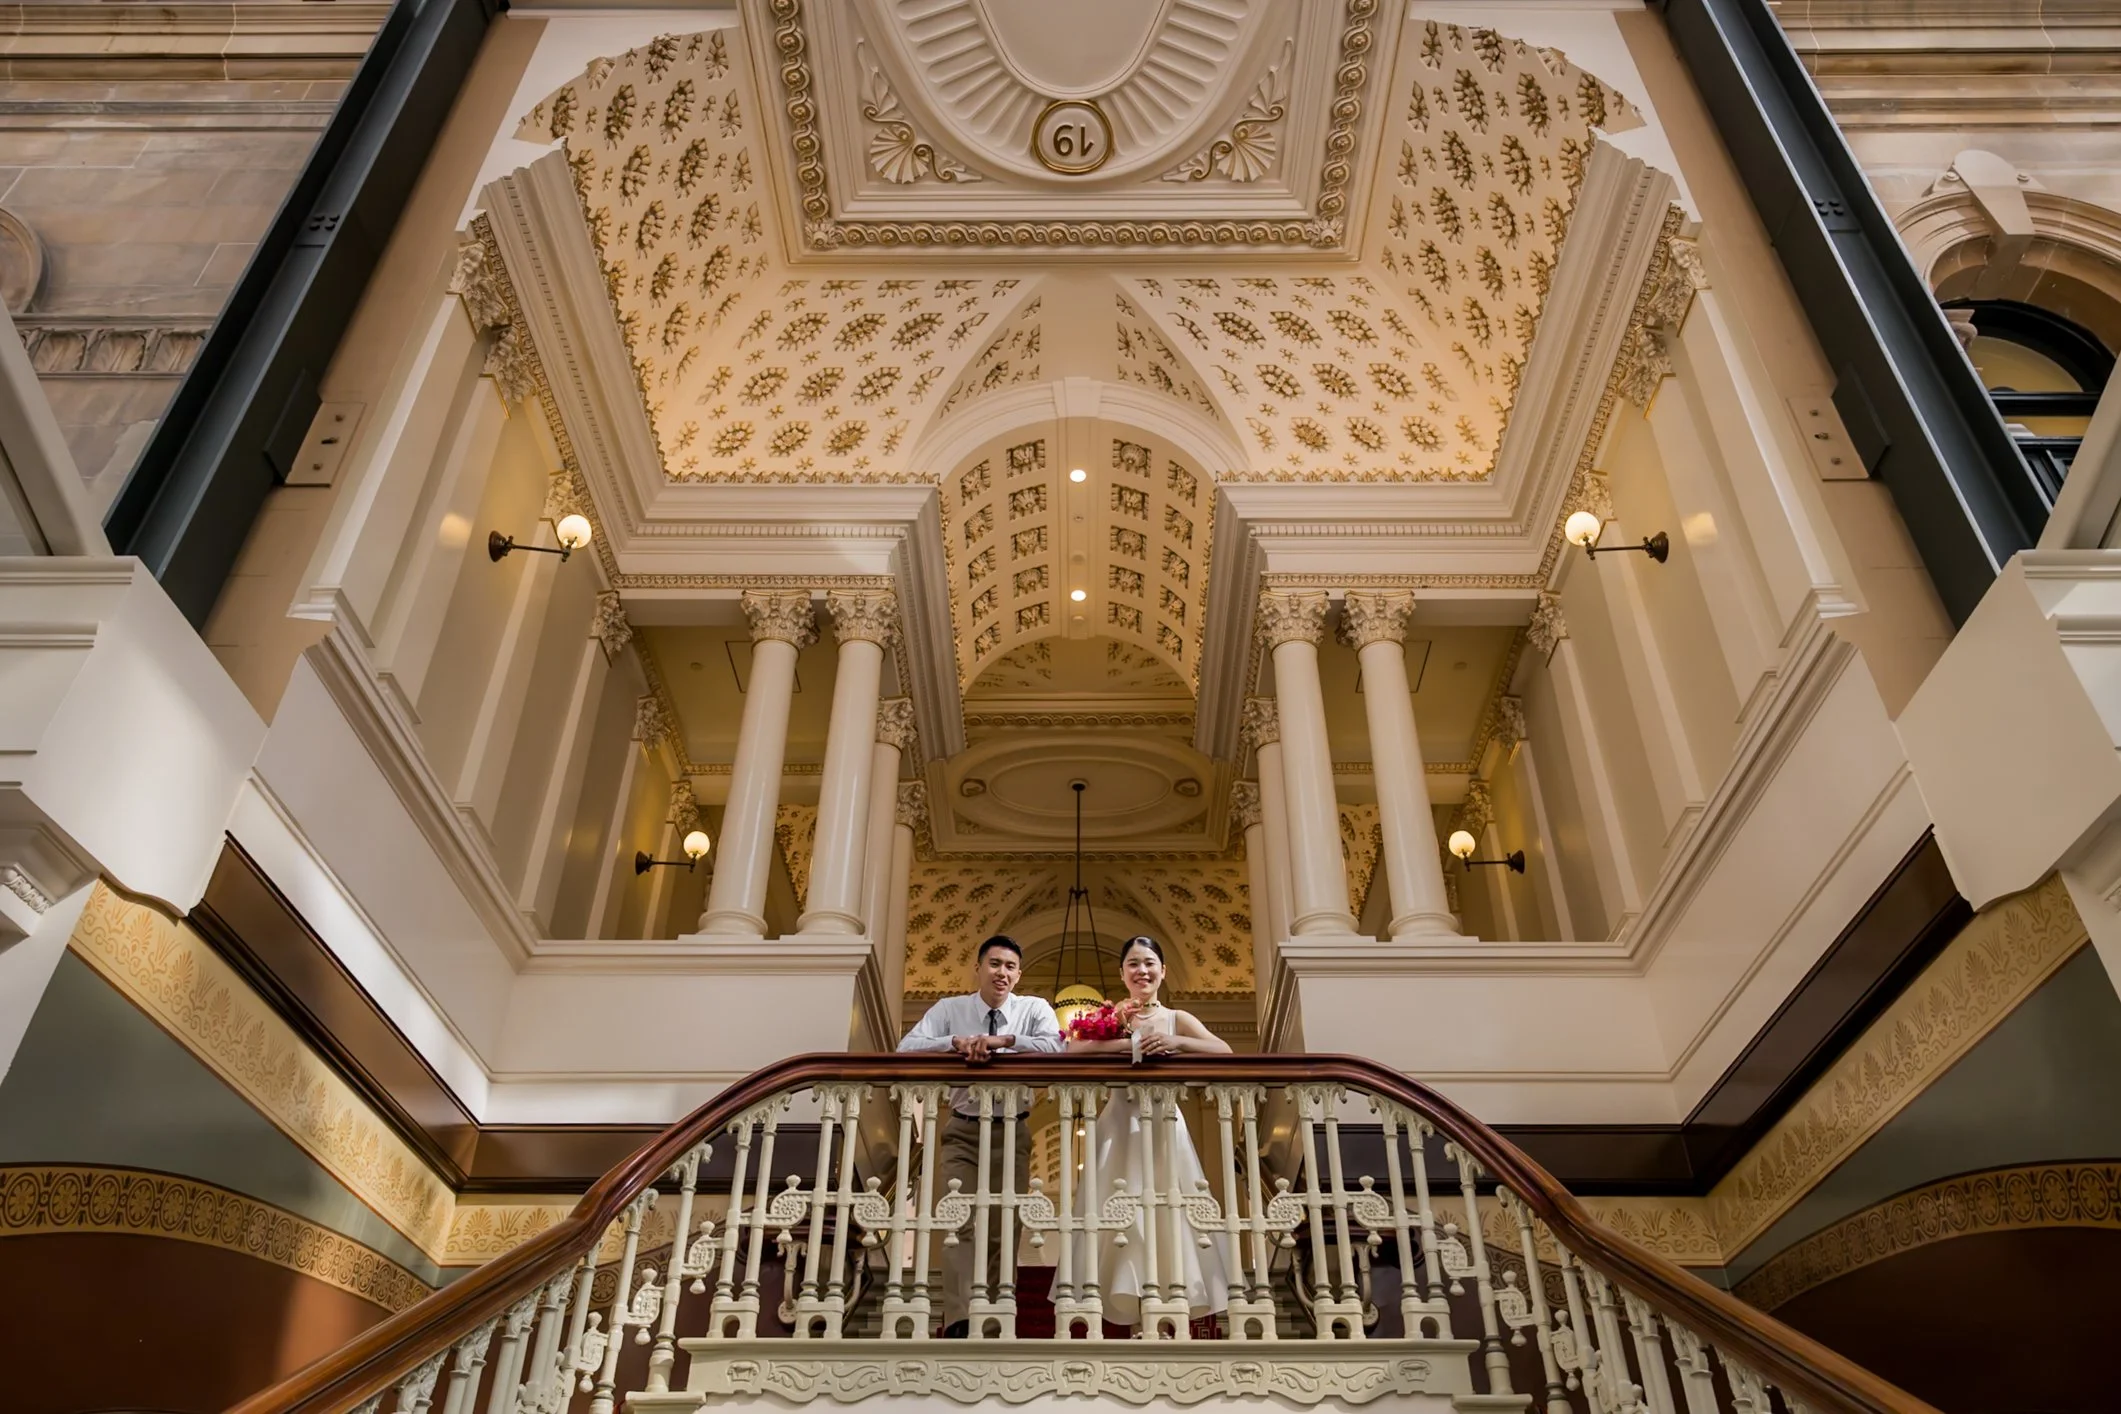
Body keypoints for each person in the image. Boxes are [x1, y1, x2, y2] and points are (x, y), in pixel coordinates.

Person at [1065, 935, 1234, 1334]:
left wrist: (1176, 1042)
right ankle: (1129, 1306)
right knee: (1119, 1212)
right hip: (1119, 1126)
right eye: (1134, 964)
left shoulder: (1179, 1018)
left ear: (1163, 971)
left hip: (1163, 1125)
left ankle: (1165, 1305)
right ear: (1123, 973)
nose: (1142, 971)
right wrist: (1127, 1043)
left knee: (1165, 1208)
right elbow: (1073, 1051)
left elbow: (1224, 1051)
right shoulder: (1112, 1017)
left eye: (1149, 963)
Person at [897, 934, 1063, 1337]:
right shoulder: (950, 1009)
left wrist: (1003, 1041)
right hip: (963, 1131)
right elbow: (906, 1048)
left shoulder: (1033, 1008)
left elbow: (1056, 1049)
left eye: (1009, 966)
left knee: (1003, 1224)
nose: (1001, 973)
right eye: (994, 964)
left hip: (1014, 1130)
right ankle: (959, 1320)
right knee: (961, 1224)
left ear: (1018, 974)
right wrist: (953, 1043)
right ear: (978, 968)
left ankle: (993, 1315)